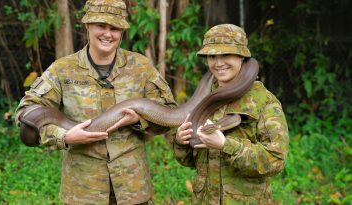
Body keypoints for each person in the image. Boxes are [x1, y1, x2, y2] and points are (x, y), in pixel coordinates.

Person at [15, 0, 176, 204]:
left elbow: (169, 114)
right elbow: (25, 113)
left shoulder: (141, 67)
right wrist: (64, 136)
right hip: (83, 191)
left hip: (133, 189)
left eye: (114, 28)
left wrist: (138, 120)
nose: (107, 34)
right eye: (101, 26)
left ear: (122, 31)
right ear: (87, 25)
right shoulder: (62, 69)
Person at [173, 24, 289, 204]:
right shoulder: (204, 100)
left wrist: (225, 144)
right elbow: (189, 161)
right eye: (212, 56)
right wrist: (181, 142)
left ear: (242, 56)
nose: (218, 63)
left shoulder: (264, 102)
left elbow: (275, 161)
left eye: (226, 55)